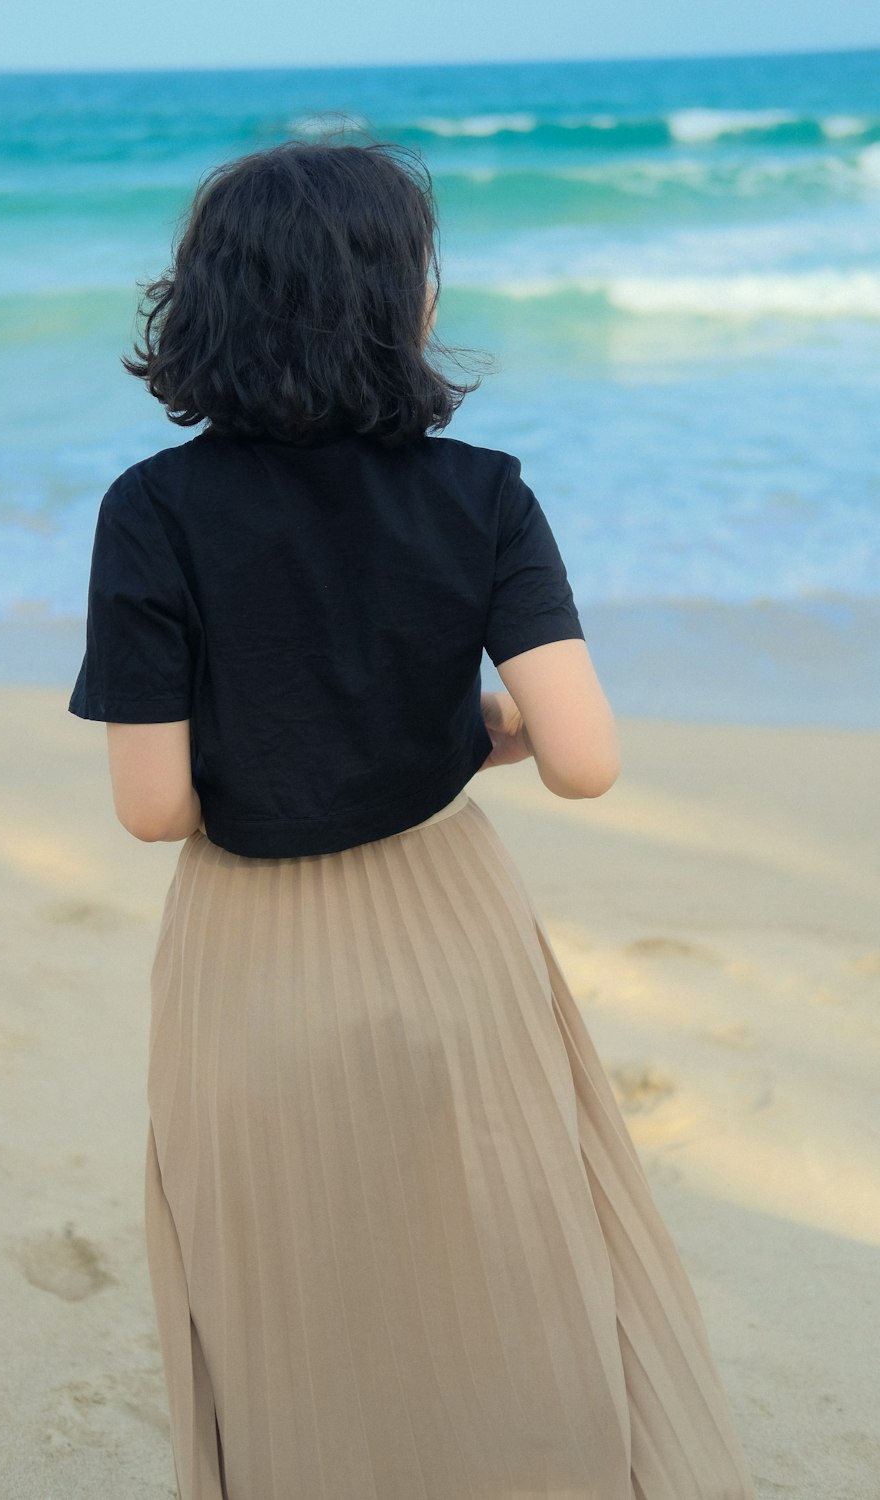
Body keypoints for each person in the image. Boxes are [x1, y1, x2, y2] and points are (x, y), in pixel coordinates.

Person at [69, 138, 757, 1500]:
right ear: (395, 301)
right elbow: (583, 759)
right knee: (500, 1268)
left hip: (247, 954)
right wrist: (460, 733)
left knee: (288, 1300)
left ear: (207, 300)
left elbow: (153, 807)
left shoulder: (150, 511)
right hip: (448, 927)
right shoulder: (485, 491)